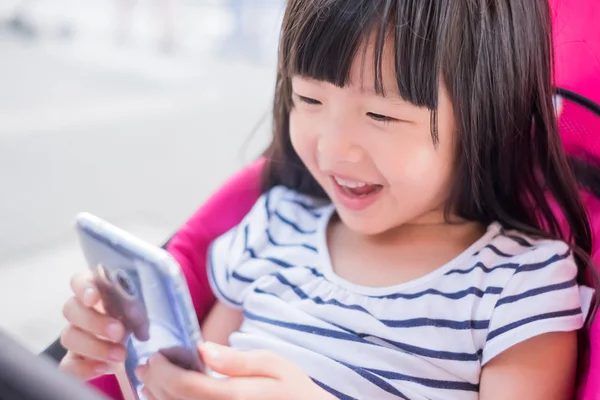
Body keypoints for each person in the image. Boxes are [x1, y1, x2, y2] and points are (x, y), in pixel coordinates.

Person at [57, 0, 598, 399]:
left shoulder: (522, 286)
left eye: (382, 115)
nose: (333, 147)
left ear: (490, 120)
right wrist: (131, 357)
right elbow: (195, 378)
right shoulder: (273, 227)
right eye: (308, 98)